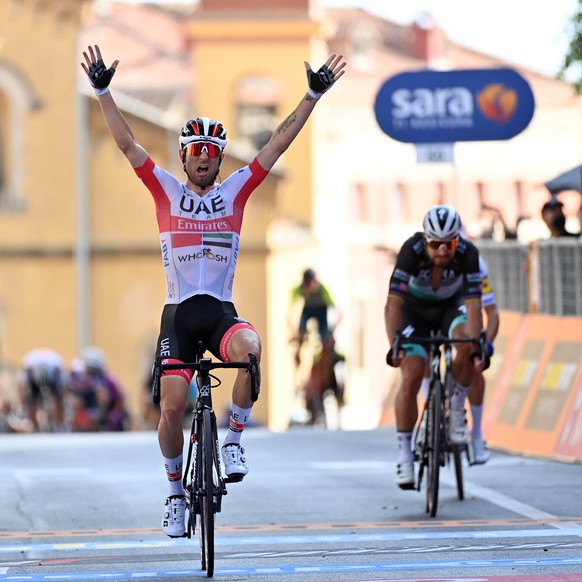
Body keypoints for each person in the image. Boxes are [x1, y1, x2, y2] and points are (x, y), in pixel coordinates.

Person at [81, 44, 346, 537]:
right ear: (183, 157)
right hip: (178, 317)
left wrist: (310, 96)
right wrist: (102, 91)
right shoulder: (165, 190)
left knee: (251, 350)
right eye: (195, 151)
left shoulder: (237, 191)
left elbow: (276, 146)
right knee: (174, 407)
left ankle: (235, 438)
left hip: (220, 312)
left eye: (212, 152)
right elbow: (126, 144)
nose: (203, 159)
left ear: (221, 159)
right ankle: (175, 493)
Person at [384, 205, 487, 490]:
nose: (443, 250)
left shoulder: (468, 254)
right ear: (425, 240)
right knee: (412, 373)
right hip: (413, 312)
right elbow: (393, 304)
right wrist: (395, 343)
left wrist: (477, 342)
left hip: (449, 309)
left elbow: (474, 305)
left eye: (449, 244)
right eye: (436, 244)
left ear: (458, 240)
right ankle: (405, 455)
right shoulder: (410, 251)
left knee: (465, 345)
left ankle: (456, 407)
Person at [290, 268, 336, 367]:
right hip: (308, 310)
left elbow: (335, 310)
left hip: (321, 312)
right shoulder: (299, 289)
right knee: (301, 331)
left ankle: (327, 360)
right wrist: (295, 332)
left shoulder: (323, 289)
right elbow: (291, 311)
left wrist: (331, 331)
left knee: (325, 336)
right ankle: (298, 358)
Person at [18, 348, 66, 432]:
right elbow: (21, 385)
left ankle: (59, 425)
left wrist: (61, 399)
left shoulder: (55, 366)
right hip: (34, 380)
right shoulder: (29, 366)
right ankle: (34, 426)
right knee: (31, 402)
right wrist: (22, 402)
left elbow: (63, 385)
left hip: (52, 378)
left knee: (58, 400)